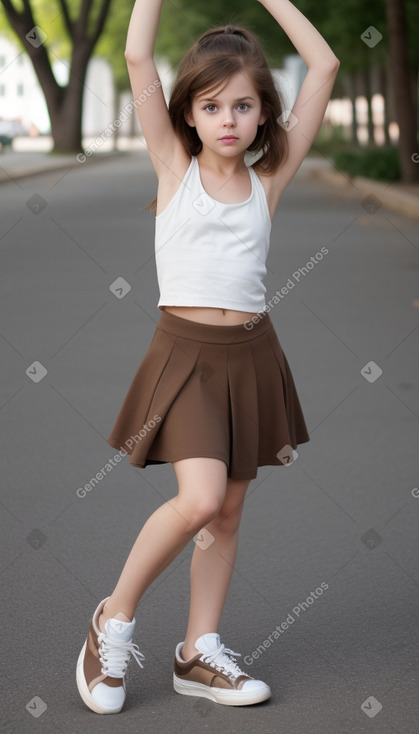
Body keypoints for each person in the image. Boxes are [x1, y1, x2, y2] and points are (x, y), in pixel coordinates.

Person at [76, 0, 339, 715]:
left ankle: (198, 651)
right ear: (188, 113)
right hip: (186, 355)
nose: (228, 119)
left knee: (224, 514)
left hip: (251, 356)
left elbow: (324, 64)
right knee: (196, 501)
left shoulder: (269, 178)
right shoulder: (173, 167)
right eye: (212, 104)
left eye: (244, 105)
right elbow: (136, 58)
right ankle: (113, 622)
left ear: (263, 116)